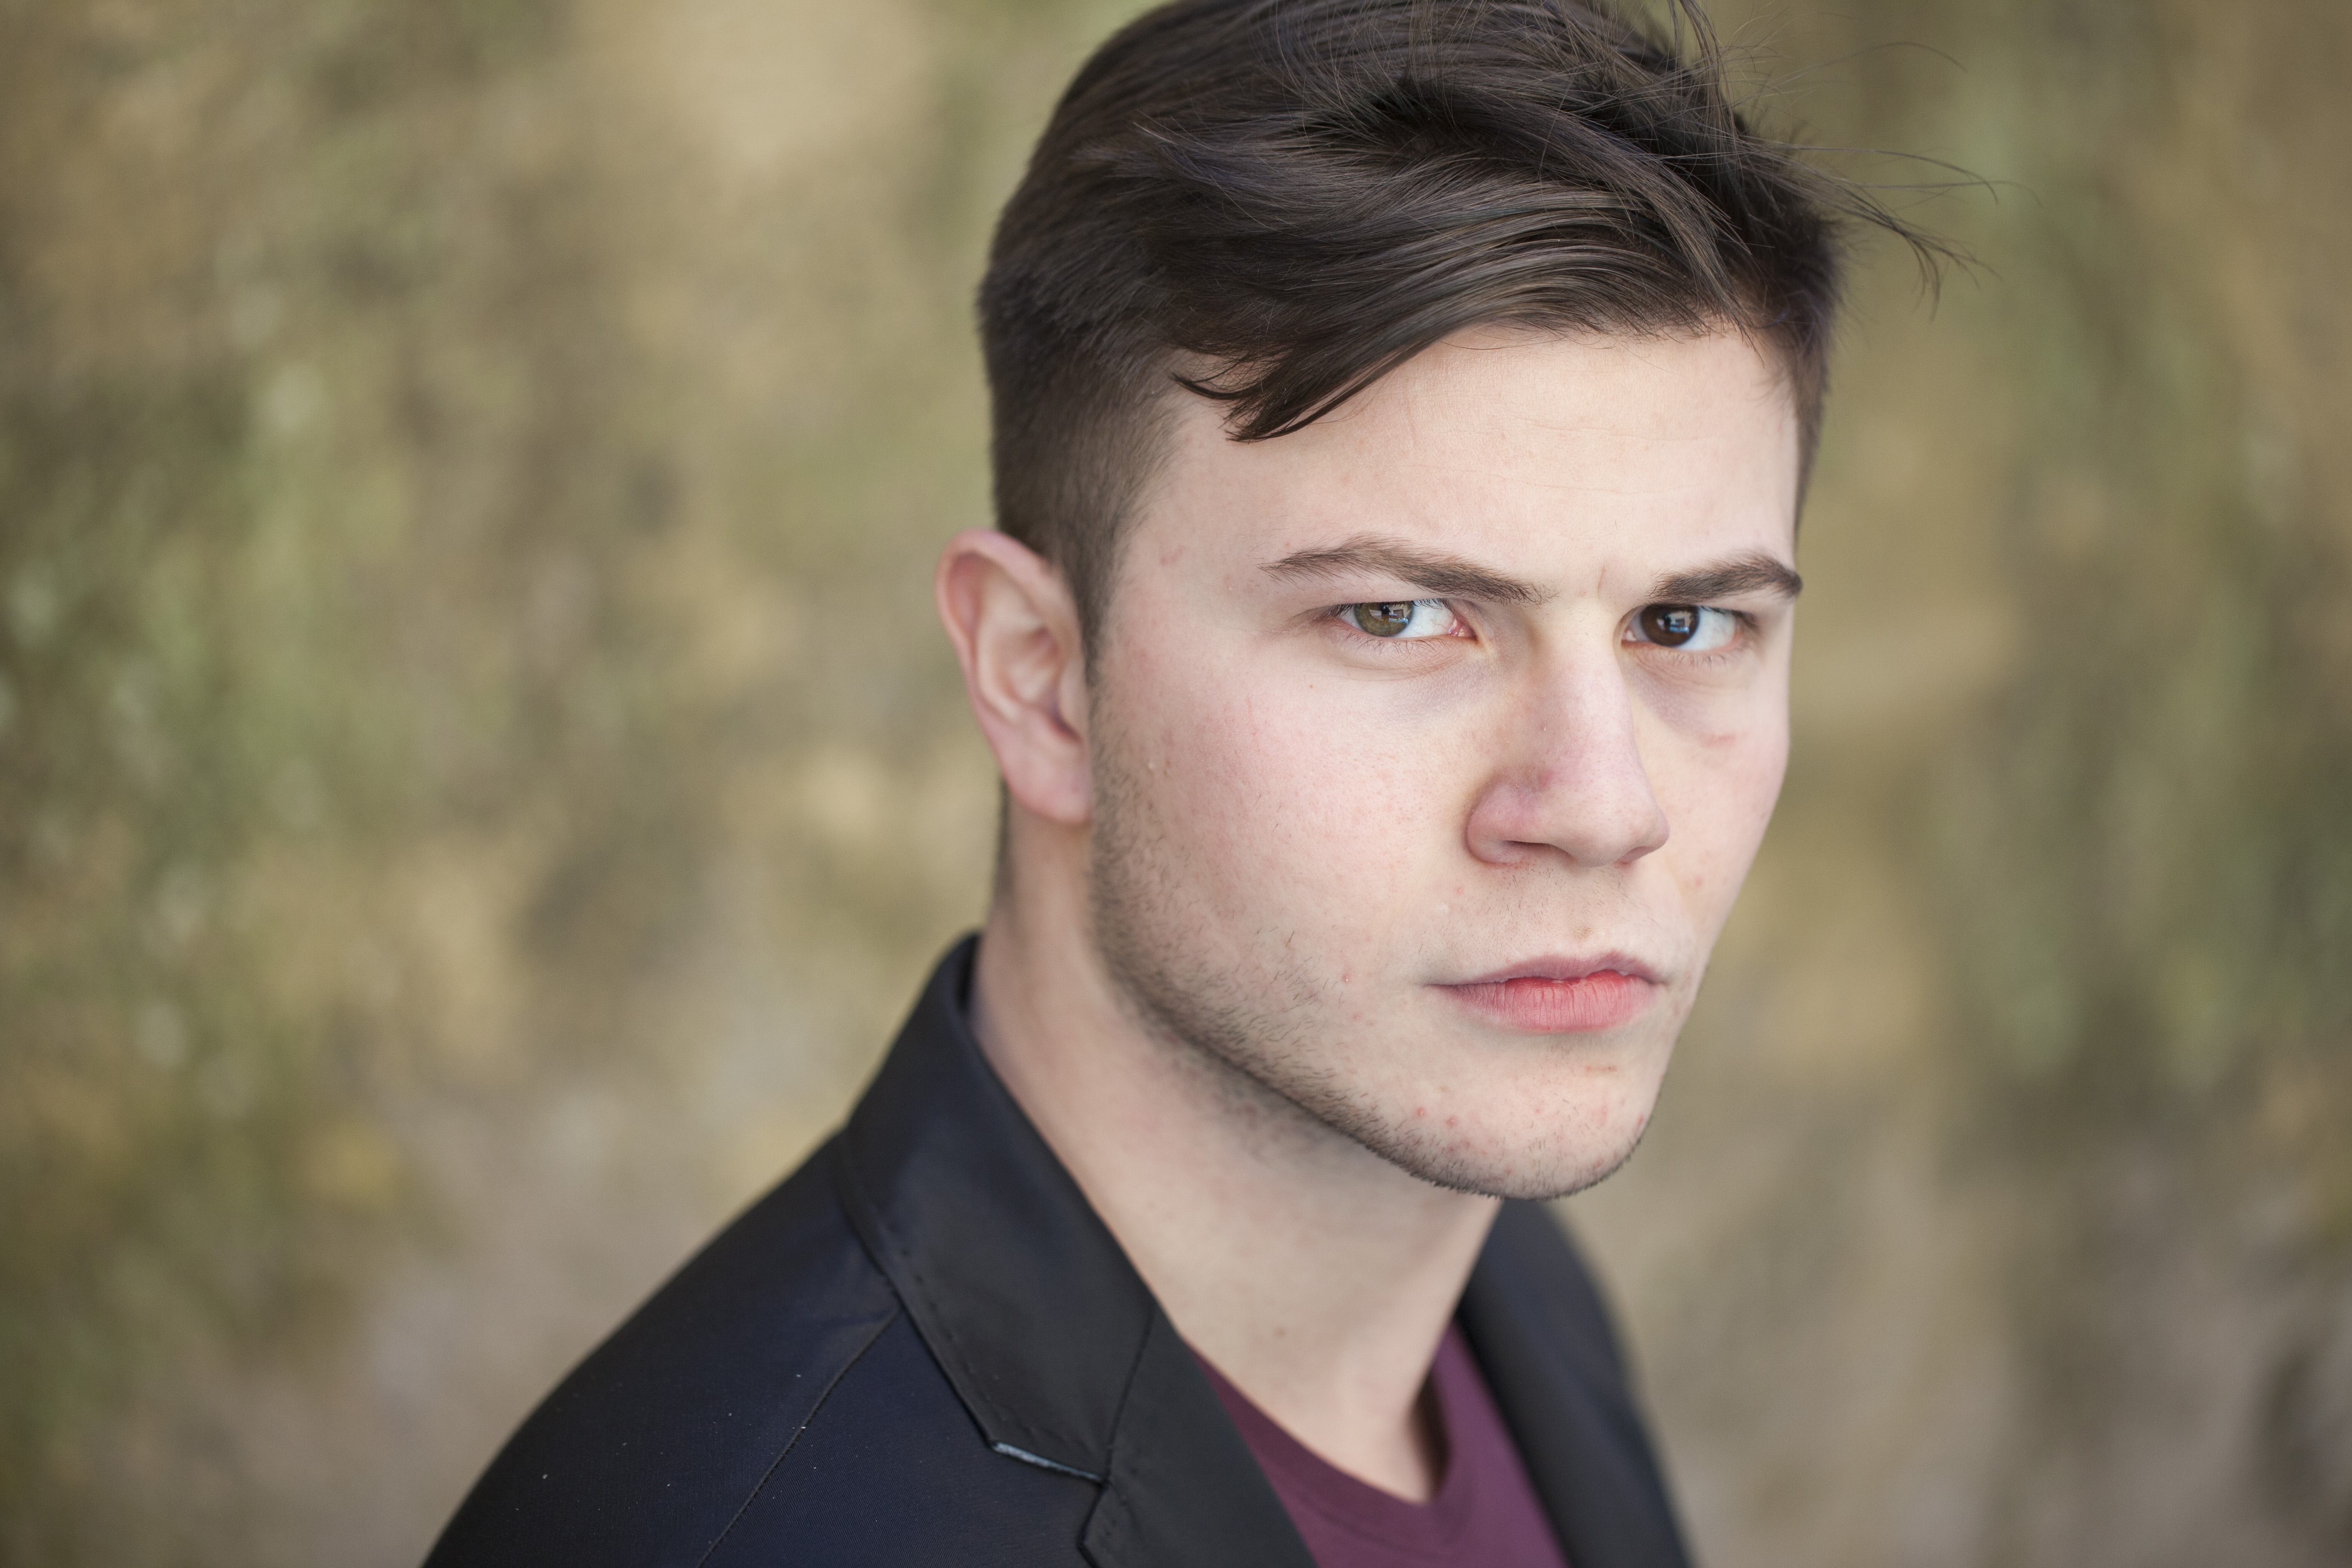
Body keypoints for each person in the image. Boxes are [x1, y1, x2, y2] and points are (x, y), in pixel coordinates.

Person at [426, 1, 1925, 1563]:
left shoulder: (1508, 1295)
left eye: (1686, 625)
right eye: (1397, 617)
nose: (1606, 806)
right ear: (1040, 678)